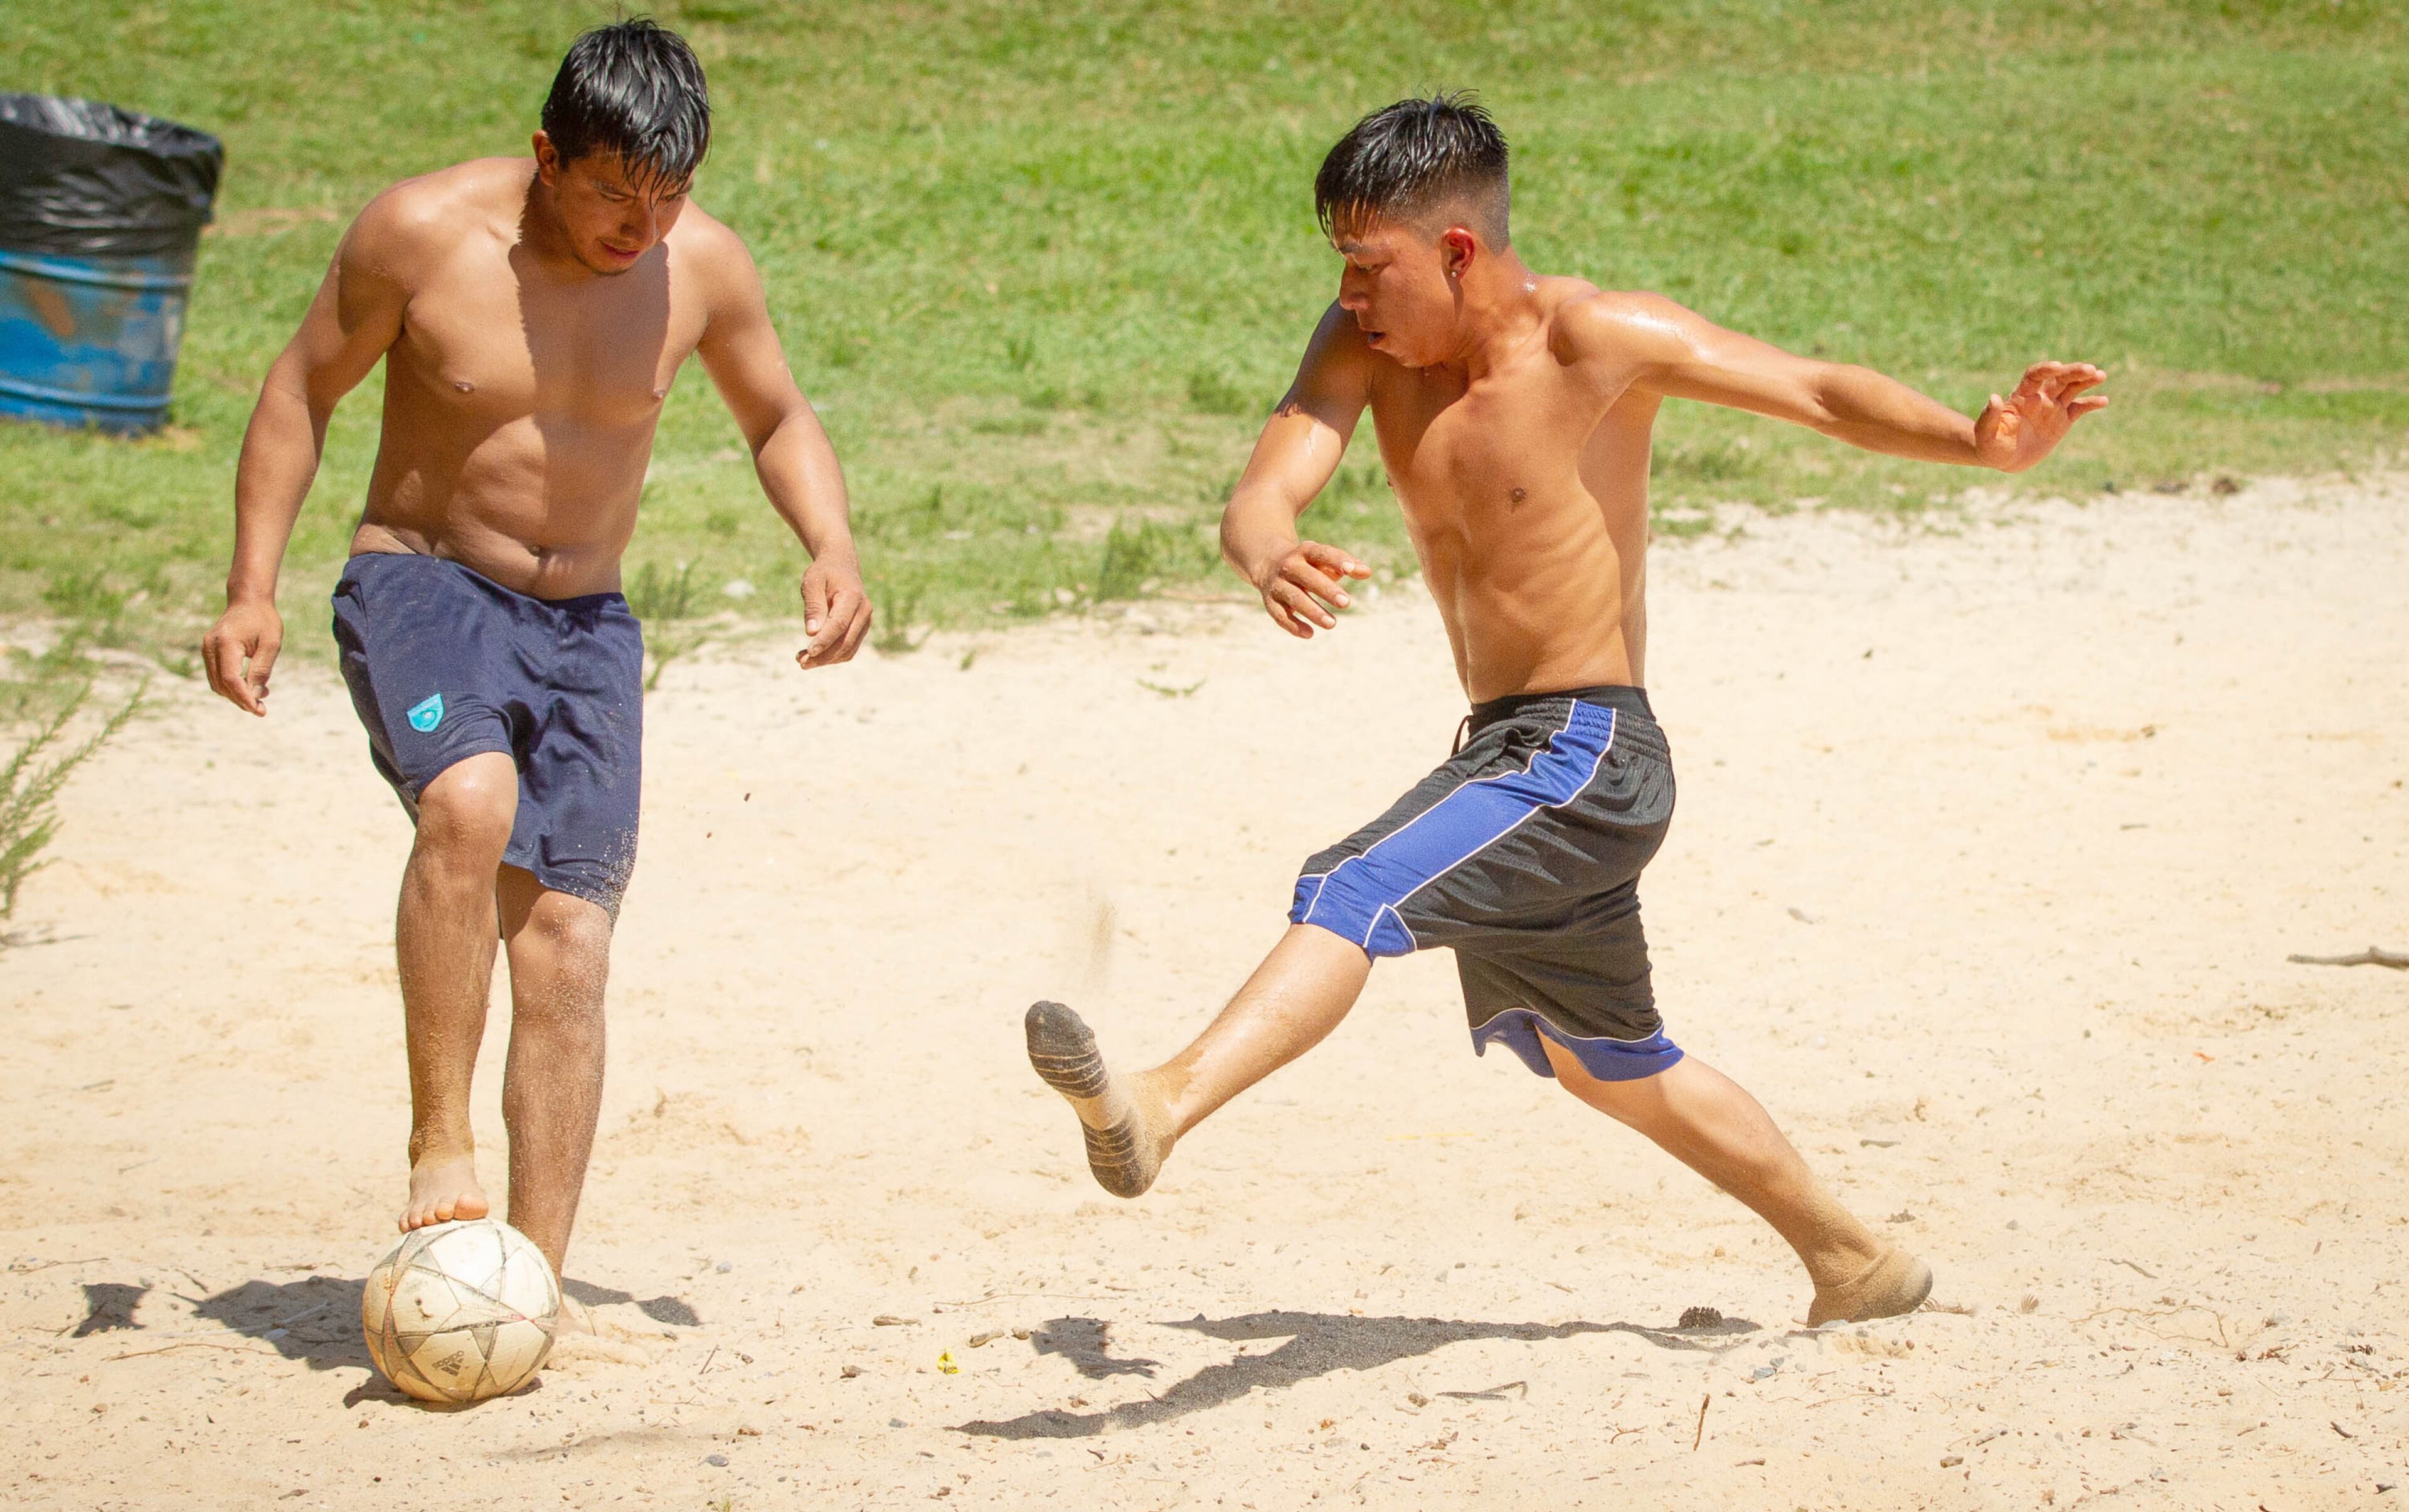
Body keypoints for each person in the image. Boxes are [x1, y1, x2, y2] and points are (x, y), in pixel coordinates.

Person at [1026, 94, 2105, 1325]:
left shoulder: (1600, 337)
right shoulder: (1361, 344)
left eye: (1371, 267)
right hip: (1507, 749)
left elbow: (1815, 390)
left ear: (1460, 252)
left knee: (1353, 884)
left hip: (1589, 746)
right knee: (1609, 1062)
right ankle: (1854, 1256)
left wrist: (1981, 439)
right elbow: (1269, 480)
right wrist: (1267, 547)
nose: (1354, 295)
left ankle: (1159, 1105)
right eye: (1344, 269)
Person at [200, 19, 871, 1289]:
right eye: (615, 187)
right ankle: (436, 1133)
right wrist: (251, 591)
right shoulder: (421, 235)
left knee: (568, 937)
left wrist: (830, 543)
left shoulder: (701, 267)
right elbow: (299, 390)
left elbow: (777, 411)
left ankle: (529, 1282)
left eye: (668, 192)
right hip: (424, 580)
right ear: (547, 156)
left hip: (586, 625)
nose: (642, 221)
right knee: (470, 800)